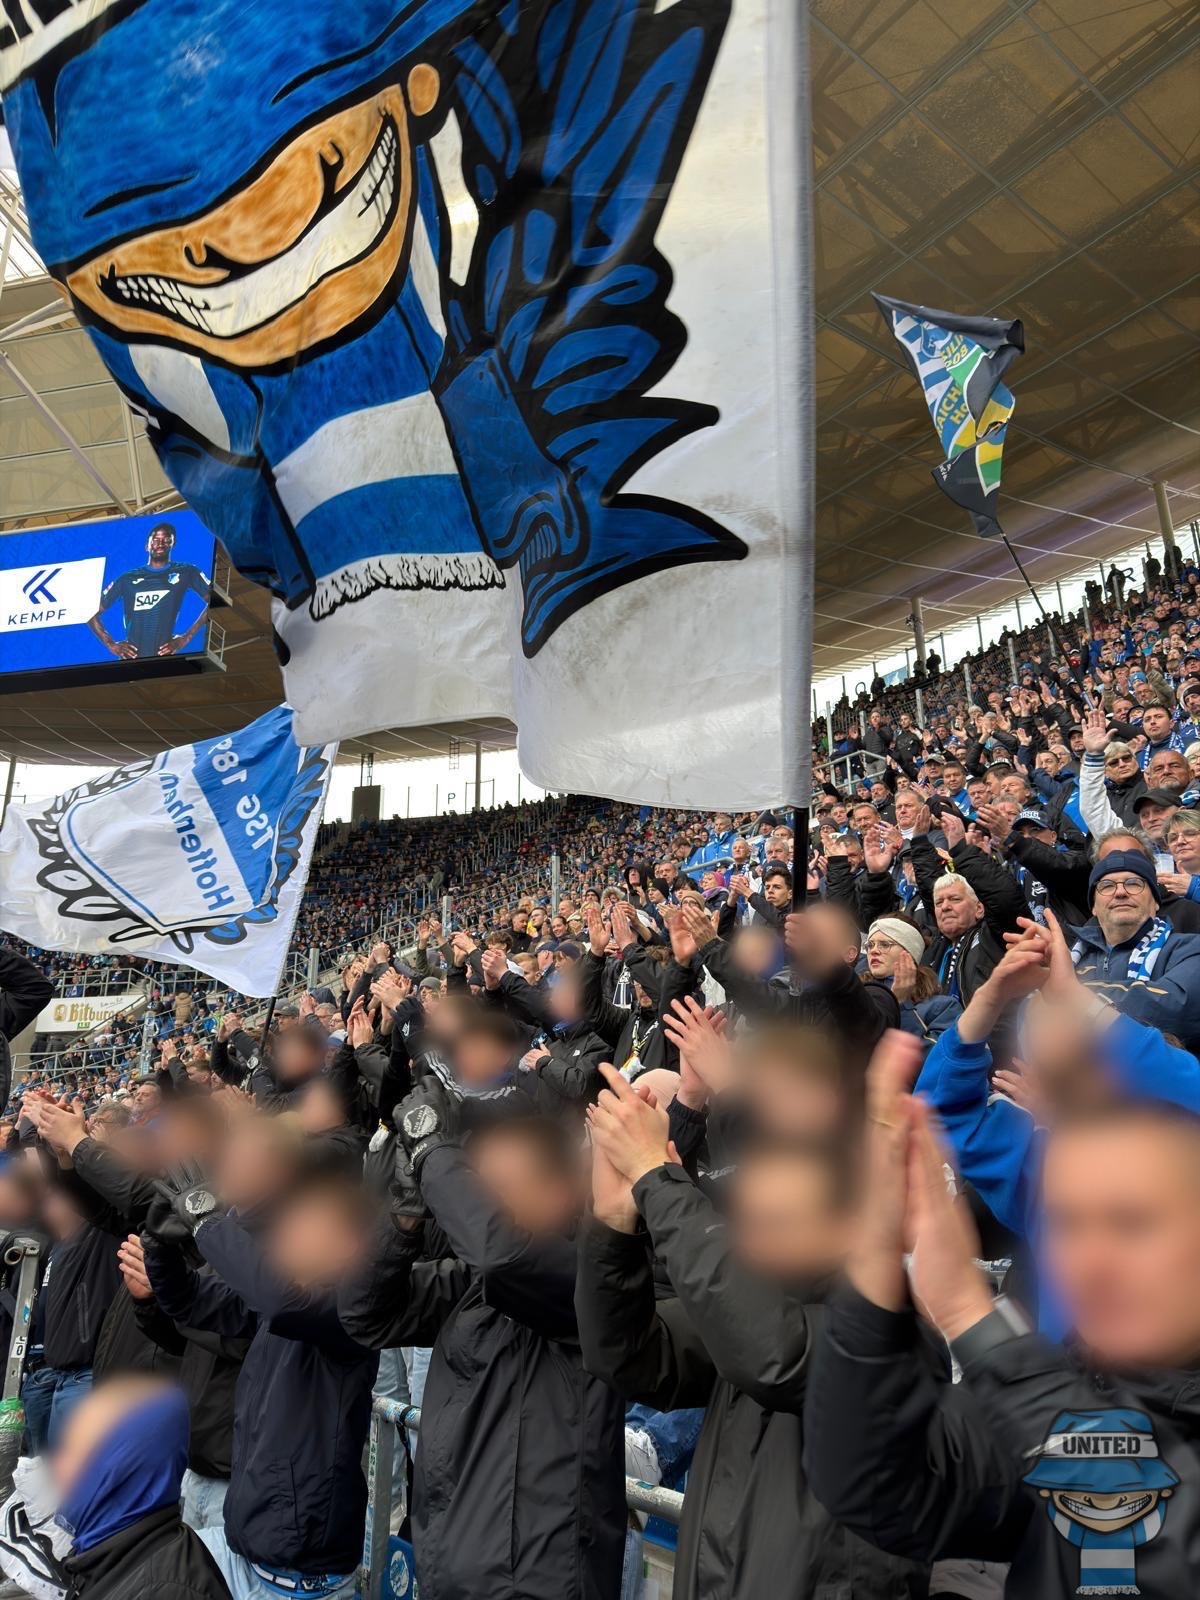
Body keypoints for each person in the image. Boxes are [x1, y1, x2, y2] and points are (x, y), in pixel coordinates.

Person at [803, 1043, 1200, 1599]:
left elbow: (1166, 1547)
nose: (1089, 1263)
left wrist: (974, 1321)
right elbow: (876, 1489)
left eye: (1132, 1222)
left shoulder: (1042, 1399)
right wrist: (873, 1275)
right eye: (1066, 1224)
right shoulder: (1067, 1387)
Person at [576, 1048, 929, 1599]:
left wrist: (655, 1177)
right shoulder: (767, 1305)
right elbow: (626, 1352)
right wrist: (613, 1225)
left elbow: (773, 1353)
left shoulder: (896, 1333)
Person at [339, 1080, 626, 1600]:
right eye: (477, 1189)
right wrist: (404, 1215)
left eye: (497, 1189)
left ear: (561, 1191)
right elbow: (365, 1312)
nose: (476, 1206)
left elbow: (501, 1255)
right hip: (447, 1574)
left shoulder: (592, 1277)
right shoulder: (473, 1284)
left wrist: (433, 1151)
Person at [55, 1376, 232, 1599]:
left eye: (75, 1450)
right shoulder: (109, 1545)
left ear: (121, 1471)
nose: (58, 1466)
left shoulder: (167, 1591)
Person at [87, 521, 211, 662]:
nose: (160, 544)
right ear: (147, 546)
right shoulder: (127, 578)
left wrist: (186, 638)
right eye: (156, 540)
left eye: (166, 540)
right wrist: (111, 644)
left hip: (165, 660)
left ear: (173, 544)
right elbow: (90, 612)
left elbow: (214, 600)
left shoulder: (187, 571)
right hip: (131, 661)